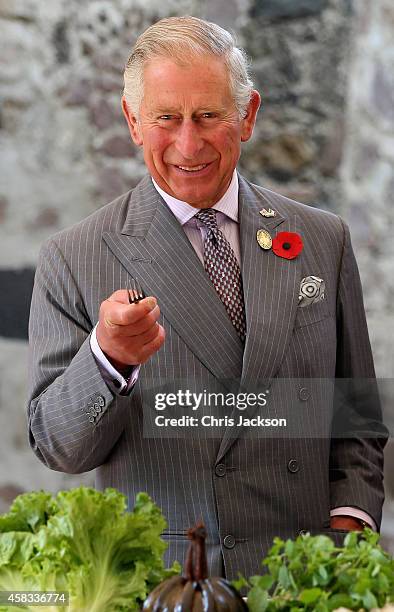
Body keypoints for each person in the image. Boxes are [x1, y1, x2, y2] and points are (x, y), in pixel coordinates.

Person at [27, 16, 387, 580]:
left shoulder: (324, 239)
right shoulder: (73, 258)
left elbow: (355, 414)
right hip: (170, 580)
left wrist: (348, 532)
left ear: (247, 116)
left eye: (209, 116)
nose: (188, 144)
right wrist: (107, 359)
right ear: (133, 121)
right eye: (166, 118)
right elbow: (59, 447)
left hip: (301, 579)